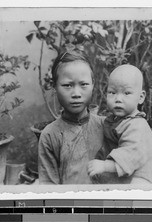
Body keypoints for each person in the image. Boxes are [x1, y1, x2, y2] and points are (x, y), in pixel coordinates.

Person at [87, 64, 152, 184]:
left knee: (137, 190)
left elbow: (131, 153)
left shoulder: (137, 125)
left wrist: (105, 166)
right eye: (112, 92)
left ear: (141, 97)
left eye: (126, 93)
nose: (118, 98)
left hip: (140, 172)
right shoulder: (116, 119)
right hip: (123, 168)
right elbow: (102, 125)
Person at [38, 51, 104, 184]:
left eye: (84, 84)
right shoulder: (50, 135)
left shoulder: (107, 126)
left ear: (93, 84)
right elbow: (48, 188)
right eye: (67, 85)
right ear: (55, 86)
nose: (76, 93)